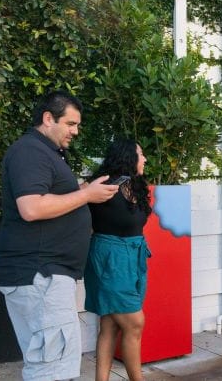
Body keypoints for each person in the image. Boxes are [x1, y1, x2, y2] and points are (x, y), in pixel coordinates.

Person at [0, 90, 119, 381]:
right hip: (40, 275)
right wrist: (86, 194)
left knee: (50, 364)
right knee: (52, 370)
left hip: (43, 276)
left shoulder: (44, 153)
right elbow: (32, 207)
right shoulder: (30, 151)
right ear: (48, 119)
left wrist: (82, 189)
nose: (75, 131)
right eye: (71, 124)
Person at [84, 139, 152, 381]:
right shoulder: (104, 186)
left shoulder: (135, 186)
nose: (144, 159)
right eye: (140, 154)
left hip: (133, 258)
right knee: (134, 323)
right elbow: (76, 197)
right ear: (127, 157)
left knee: (110, 325)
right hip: (109, 259)